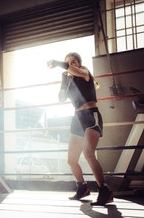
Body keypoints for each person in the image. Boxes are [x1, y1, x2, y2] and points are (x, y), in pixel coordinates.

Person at [47, 52, 113, 206]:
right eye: (69, 62)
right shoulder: (70, 80)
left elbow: (74, 70)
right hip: (77, 119)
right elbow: (61, 99)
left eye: (74, 61)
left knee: (89, 153)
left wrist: (57, 62)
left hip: (90, 115)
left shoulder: (84, 72)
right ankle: (82, 187)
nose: (72, 64)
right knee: (71, 160)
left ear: (79, 63)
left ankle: (104, 191)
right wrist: (64, 81)